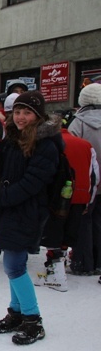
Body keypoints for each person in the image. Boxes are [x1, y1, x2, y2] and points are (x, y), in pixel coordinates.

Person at [0, 91, 56, 345]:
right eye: (17, 112)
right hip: (10, 208)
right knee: (13, 265)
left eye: (27, 112)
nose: (21, 117)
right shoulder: (13, 139)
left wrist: (2, 197)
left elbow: (32, 183)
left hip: (28, 210)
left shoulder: (46, 143)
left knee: (14, 265)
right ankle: (16, 313)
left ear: (38, 115)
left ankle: (33, 319)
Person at [35, 124, 98, 291]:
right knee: (68, 233)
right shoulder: (85, 144)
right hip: (79, 195)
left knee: (53, 232)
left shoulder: (48, 145)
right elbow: (94, 174)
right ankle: (57, 268)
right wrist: (89, 200)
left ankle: (55, 272)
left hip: (57, 196)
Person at [67, 83, 101, 280]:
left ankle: (83, 262)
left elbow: (72, 152)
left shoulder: (77, 123)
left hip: (87, 183)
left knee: (83, 221)